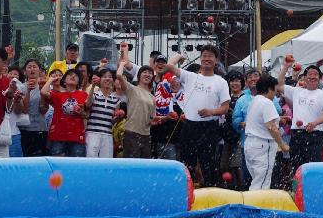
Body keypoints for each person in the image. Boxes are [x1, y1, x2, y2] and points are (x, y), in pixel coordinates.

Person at [165, 45, 230, 187]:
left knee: (209, 164)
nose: (207, 59)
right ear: (200, 58)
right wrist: (179, 56)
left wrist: (211, 112)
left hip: (209, 127)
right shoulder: (190, 76)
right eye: (204, 56)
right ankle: (186, 191)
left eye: (210, 56)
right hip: (190, 126)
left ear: (216, 60)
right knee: (186, 163)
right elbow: (169, 66)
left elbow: (225, 108)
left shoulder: (221, 82)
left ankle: (210, 192)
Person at [277, 61, 323, 175]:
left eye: (315, 75)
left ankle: (312, 190)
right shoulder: (297, 91)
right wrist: (286, 66)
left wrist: (314, 123)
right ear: (305, 77)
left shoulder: (322, 94)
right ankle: (297, 190)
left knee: (313, 168)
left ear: (319, 78)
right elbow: (279, 85)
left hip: (315, 135)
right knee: (296, 166)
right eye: (310, 74)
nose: (312, 77)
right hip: (297, 134)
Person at [244, 75, 289, 190]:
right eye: (275, 89)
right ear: (269, 89)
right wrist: (282, 145)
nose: (275, 93)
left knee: (257, 179)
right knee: (262, 183)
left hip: (250, 143)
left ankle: (252, 205)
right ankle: (256, 207)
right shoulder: (267, 103)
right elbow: (271, 127)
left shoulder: (254, 101)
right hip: (263, 144)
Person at [116, 43, 156, 159]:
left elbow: (151, 119)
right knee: (131, 165)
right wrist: (122, 64)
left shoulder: (152, 97)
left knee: (144, 167)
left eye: (149, 73)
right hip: (131, 133)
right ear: (139, 76)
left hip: (146, 135)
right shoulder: (132, 89)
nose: (147, 74)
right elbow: (119, 75)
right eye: (144, 72)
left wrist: (158, 120)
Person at [41, 69, 87, 157]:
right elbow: (43, 92)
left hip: (77, 136)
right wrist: (51, 79)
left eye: (76, 76)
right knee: (57, 166)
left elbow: (87, 115)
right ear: (64, 81)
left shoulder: (84, 95)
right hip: (58, 136)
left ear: (78, 82)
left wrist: (82, 113)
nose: (73, 76)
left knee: (76, 167)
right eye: (70, 75)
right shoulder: (57, 95)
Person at [85, 68, 120, 158]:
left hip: (107, 134)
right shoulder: (94, 95)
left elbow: (113, 121)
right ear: (99, 80)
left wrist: (118, 117)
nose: (107, 79)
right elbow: (87, 104)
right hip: (92, 133)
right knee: (91, 159)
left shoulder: (116, 99)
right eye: (104, 77)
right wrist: (93, 86)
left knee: (106, 162)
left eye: (110, 77)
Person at [18, 60, 50, 156]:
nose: (32, 69)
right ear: (24, 71)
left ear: (40, 71)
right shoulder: (20, 87)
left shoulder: (46, 87)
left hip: (40, 128)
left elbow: (43, 110)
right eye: (29, 67)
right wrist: (28, 91)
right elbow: (25, 109)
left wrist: (42, 92)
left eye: (35, 67)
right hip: (24, 129)